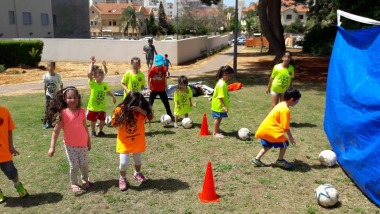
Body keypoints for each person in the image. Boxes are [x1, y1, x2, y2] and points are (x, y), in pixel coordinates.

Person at [47, 86, 92, 192]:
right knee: (75, 166)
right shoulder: (62, 114)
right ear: (64, 99)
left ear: (78, 98)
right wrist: (52, 147)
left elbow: (85, 127)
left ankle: (85, 180)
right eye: (70, 97)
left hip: (83, 144)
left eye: (75, 97)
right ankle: (74, 183)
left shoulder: (81, 111)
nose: (73, 100)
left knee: (84, 164)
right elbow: (56, 132)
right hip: (70, 146)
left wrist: (88, 141)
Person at [111, 92, 153, 191]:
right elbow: (114, 124)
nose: (136, 107)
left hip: (137, 141)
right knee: (124, 163)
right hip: (124, 142)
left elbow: (149, 116)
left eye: (139, 105)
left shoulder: (140, 111)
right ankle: (122, 178)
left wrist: (139, 110)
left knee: (138, 160)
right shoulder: (120, 109)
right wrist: (121, 118)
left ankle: (137, 173)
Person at [251, 87, 301, 169]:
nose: (297, 102)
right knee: (285, 144)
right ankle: (280, 161)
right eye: (297, 100)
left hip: (264, 129)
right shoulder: (285, 110)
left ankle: (256, 159)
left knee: (268, 145)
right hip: (272, 131)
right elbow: (286, 128)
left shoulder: (280, 104)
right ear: (292, 99)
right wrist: (291, 138)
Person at [0, 106, 28, 203]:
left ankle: (18, 185)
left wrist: (11, 146)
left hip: (3, 151)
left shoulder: (4, 111)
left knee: (11, 170)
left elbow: (9, 129)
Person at [87, 56, 116, 137]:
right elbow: (89, 74)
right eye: (100, 75)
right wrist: (92, 63)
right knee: (93, 121)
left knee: (102, 120)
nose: (102, 76)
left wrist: (113, 96)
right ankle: (93, 132)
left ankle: (100, 131)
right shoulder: (93, 84)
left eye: (102, 75)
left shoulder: (104, 84)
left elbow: (108, 91)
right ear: (95, 76)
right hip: (94, 107)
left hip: (102, 107)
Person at [148, 54, 175, 121]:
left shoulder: (164, 69)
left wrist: (166, 86)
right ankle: (146, 116)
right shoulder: (153, 69)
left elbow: (165, 77)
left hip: (162, 89)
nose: (159, 66)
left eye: (160, 64)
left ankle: (170, 115)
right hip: (153, 89)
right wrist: (149, 88)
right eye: (158, 64)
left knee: (166, 103)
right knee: (150, 104)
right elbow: (148, 78)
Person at [211, 65, 235, 138]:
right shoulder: (221, 84)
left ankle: (217, 129)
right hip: (219, 105)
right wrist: (224, 106)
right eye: (230, 76)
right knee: (217, 119)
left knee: (220, 118)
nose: (230, 77)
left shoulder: (223, 82)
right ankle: (215, 133)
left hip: (220, 106)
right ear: (225, 74)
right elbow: (220, 97)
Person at [42, 61, 63, 129]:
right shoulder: (45, 76)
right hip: (49, 95)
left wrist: (61, 93)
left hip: (56, 96)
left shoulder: (57, 76)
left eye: (50, 66)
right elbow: (45, 85)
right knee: (48, 109)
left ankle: (59, 122)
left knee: (56, 109)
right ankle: (49, 123)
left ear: (54, 67)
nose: (48, 67)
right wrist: (45, 93)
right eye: (48, 66)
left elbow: (61, 84)